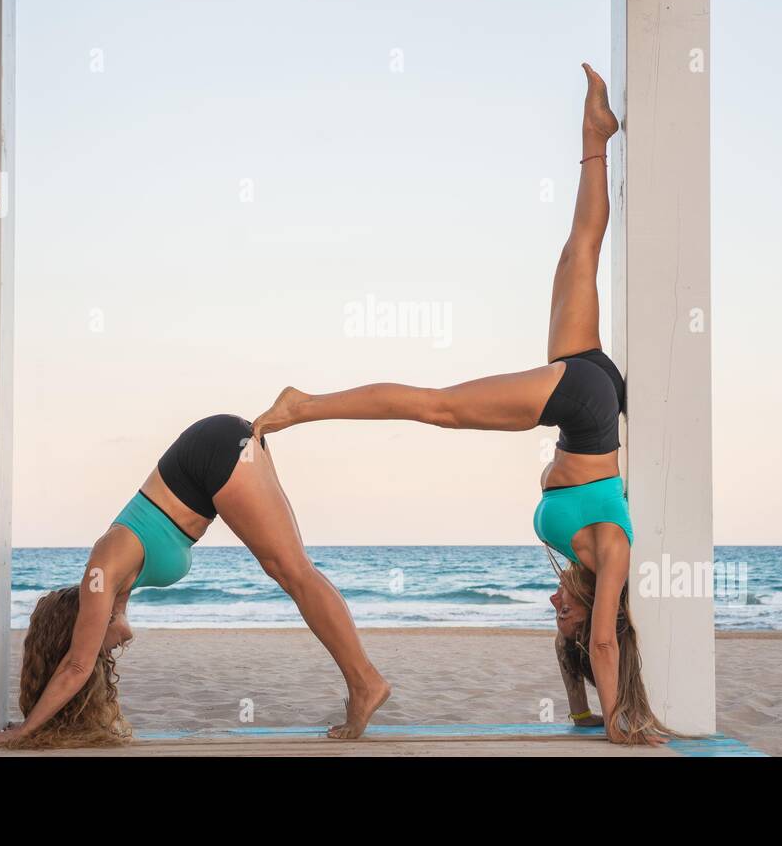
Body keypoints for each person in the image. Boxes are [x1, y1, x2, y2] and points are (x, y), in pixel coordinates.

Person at [253, 65, 671, 744]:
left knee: (579, 252)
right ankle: (303, 405)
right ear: (596, 605)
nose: (555, 604)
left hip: (587, 403)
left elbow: (578, 654)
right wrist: (622, 726)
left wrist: (586, 713)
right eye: (568, 609)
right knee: (438, 406)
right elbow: (601, 648)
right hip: (587, 409)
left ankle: (595, 136)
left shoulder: (587, 562)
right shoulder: (613, 556)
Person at [0, 414, 390, 747]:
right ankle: (363, 681)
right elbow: (108, 641)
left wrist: (20, 732)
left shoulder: (100, 572)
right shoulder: (116, 590)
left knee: (292, 571)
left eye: (87, 639)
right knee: (295, 569)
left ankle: (365, 683)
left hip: (214, 450)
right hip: (216, 451)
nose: (101, 648)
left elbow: (76, 664)